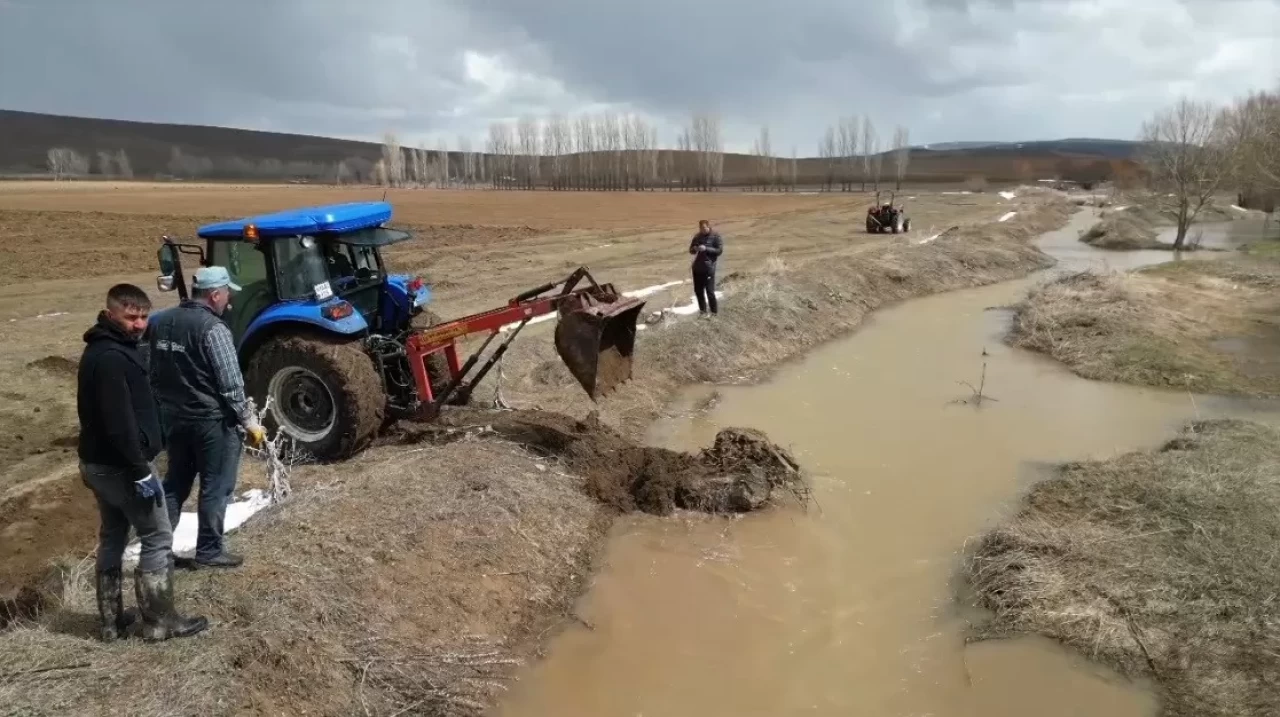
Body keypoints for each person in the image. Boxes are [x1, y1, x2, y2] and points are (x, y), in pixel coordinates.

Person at [77, 283, 208, 641]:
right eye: (130, 317)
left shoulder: (105, 349)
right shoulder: (110, 359)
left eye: (143, 317)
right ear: (110, 313)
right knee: (157, 535)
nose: (138, 324)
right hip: (121, 465)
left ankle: (111, 621)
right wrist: (139, 471)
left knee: (113, 535)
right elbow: (118, 423)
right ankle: (159, 621)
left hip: (98, 463)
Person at [148, 266, 266, 569]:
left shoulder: (162, 322)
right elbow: (230, 383)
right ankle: (210, 551)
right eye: (227, 293)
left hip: (174, 419)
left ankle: (158, 550)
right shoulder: (213, 329)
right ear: (215, 294)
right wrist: (248, 421)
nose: (229, 300)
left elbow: (152, 371)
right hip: (211, 423)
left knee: (176, 482)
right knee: (216, 486)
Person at [688, 219, 723, 316]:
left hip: (708, 269)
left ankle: (714, 313)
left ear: (708, 226)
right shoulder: (697, 236)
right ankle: (703, 312)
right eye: (701, 228)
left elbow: (719, 251)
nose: (702, 230)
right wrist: (694, 249)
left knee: (710, 292)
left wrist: (706, 248)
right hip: (697, 268)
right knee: (698, 291)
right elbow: (691, 250)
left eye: (704, 228)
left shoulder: (716, 236)